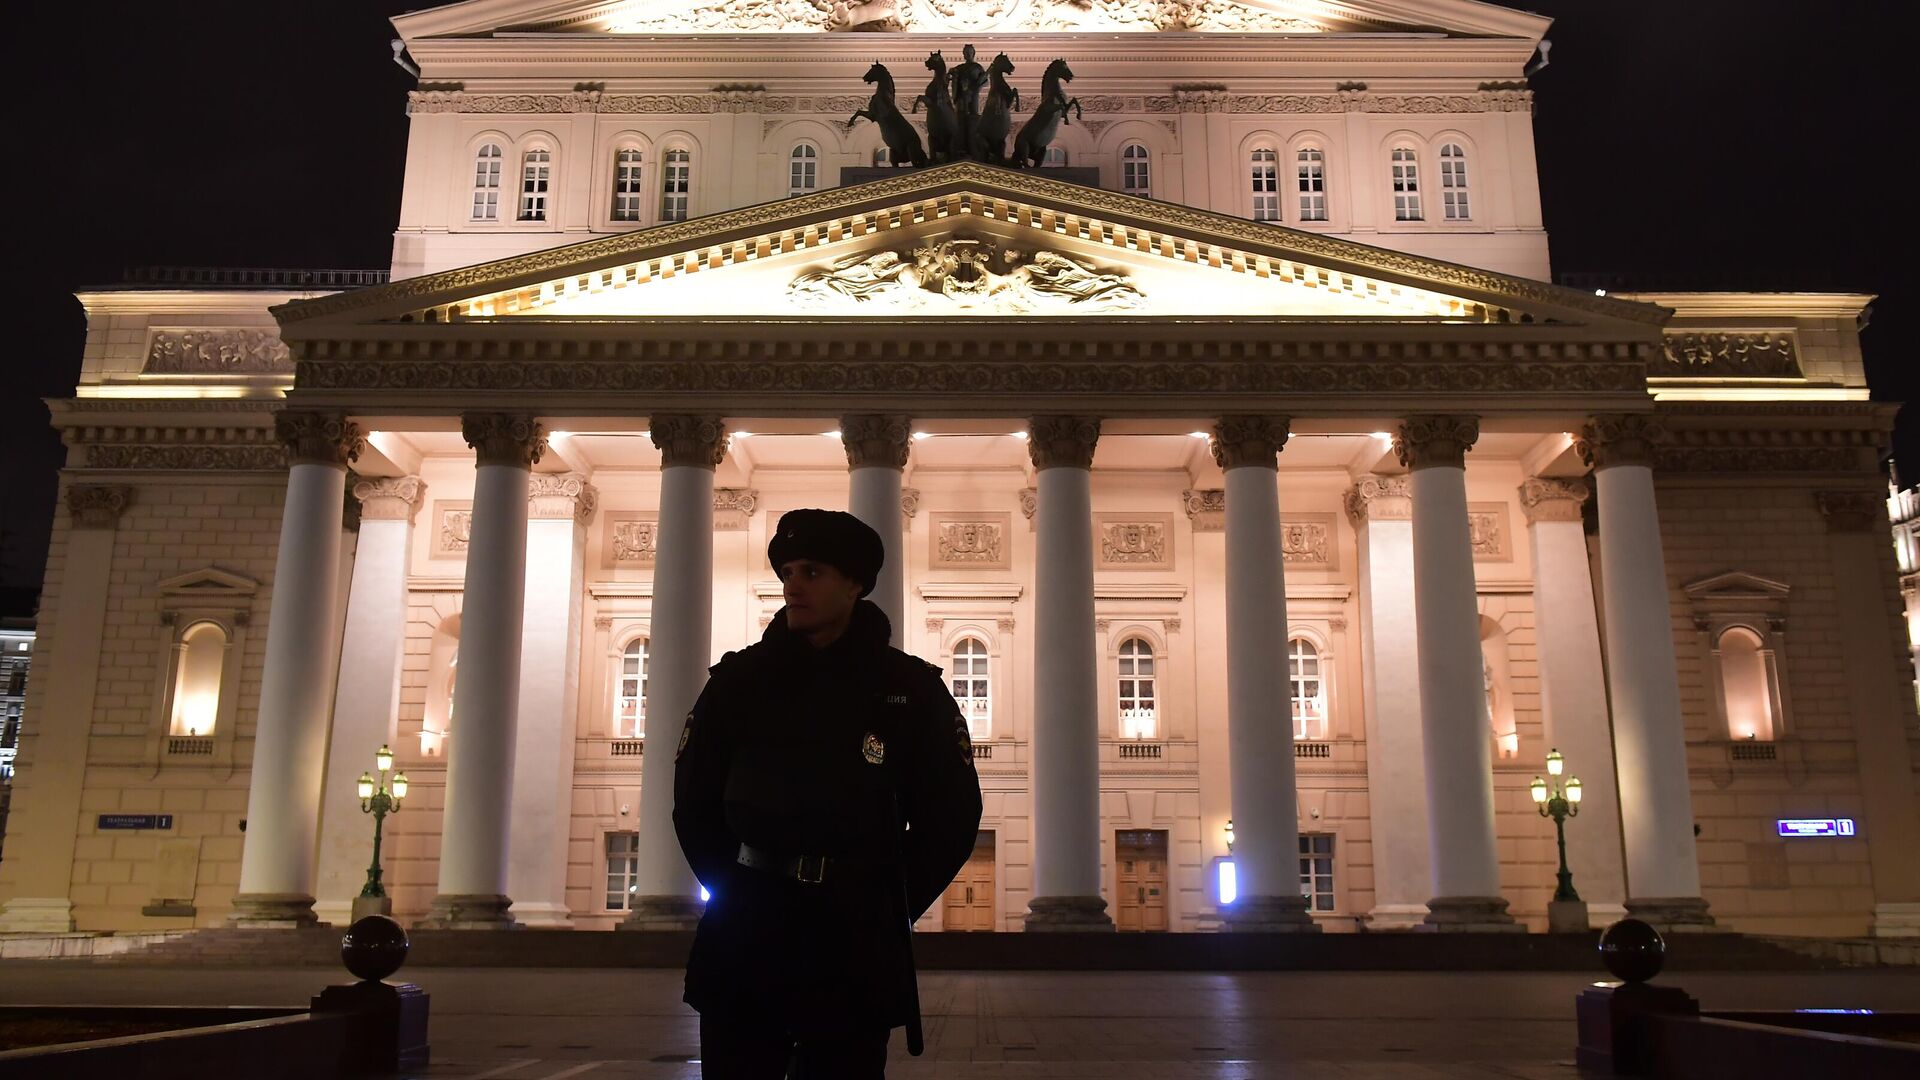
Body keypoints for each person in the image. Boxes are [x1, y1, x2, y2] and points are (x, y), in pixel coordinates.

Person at [674, 508, 984, 1078]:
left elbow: (952, 819)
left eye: (812, 572)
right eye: (787, 571)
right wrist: (741, 888)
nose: (793, 585)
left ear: (855, 585)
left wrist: (887, 907)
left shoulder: (909, 691)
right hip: (747, 935)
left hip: (852, 939)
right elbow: (694, 806)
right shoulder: (737, 684)